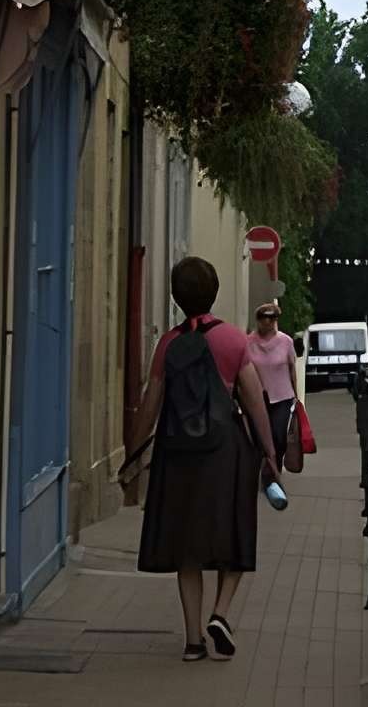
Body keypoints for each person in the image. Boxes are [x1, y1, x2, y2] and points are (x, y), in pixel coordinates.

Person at [127, 256, 279, 663]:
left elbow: (150, 406)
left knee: (186, 547)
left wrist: (132, 455)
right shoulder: (233, 340)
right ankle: (221, 613)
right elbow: (254, 403)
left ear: (177, 298)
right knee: (235, 533)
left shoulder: (169, 344)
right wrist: (269, 452)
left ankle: (193, 640)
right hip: (225, 451)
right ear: (213, 292)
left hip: (176, 454)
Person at [244, 300, 299, 467]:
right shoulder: (248, 342)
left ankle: (275, 466)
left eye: (272, 319)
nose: (268, 322)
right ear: (258, 320)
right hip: (257, 396)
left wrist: (296, 396)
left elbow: (292, 369)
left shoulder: (286, 341)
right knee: (258, 435)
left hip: (282, 396)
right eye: (264, 318)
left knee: (278, 434)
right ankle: (265, 466)